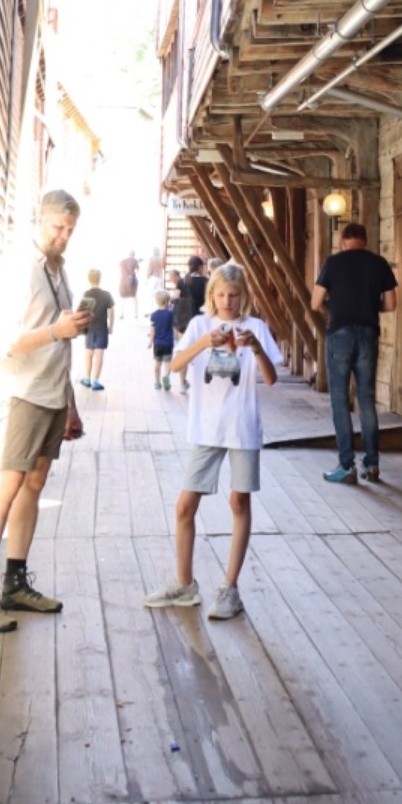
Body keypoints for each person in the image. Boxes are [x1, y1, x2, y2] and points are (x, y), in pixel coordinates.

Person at [0, 189, 89, 629]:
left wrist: (70, 403)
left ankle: (14, 584)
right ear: (40, 219)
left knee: (33, 484)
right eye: (58, 227)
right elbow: (8, 343)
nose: (64, 237)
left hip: (52, 394)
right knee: (5, 490)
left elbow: (61, 345)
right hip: (24, 393)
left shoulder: (60, 271)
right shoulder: (17, 269)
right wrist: (56, 330)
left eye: (71, 230)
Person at [143, 261, 282, 620]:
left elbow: (270, 379)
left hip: (243, 427)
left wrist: (255, 349)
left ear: (243, 296)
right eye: (221, 295)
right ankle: (185, 583)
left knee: (239, 503)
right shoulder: (199, 325)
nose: (227, 301)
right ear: (212, 295)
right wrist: (205, 341)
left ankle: (230, 587)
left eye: (234, 295)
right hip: (206, 427)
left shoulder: (256, 328)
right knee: (184, 506)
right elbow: (175, 367)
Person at [312, 220, 397, 485]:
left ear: (343, 241)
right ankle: (371, 466)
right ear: (366, 240)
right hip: (368, 333)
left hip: (339, 334)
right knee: (367, 400)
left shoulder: (332, 263)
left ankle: (346, 466)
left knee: (339, 400)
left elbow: (315, 303)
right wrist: (368, 308)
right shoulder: (379, 263)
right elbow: (391, 305)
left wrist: (335, 304)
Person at [171, 253, 208, 394]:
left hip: (184, 322)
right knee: (203, 352)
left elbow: (175, 298)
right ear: (200, 266)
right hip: (201, 321)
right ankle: (203, 383)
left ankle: (182, 383)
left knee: (184, 352)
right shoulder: (206, 281)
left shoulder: (182, 281)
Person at [79, 267, 115, 389]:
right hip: (102, 327)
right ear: (100, 279)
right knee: (99, 353)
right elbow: (111, 312)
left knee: (89, 353)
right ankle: (95, 381)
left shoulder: (86, 294)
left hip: (90, 327)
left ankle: (87, 379)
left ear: (88, 279)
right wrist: (111, 326)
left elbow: (82, 311)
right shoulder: (106, 295)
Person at [149, 290, 176, 390]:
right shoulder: (170, 314)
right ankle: (166, 377)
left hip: (157, 344)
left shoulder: (154, 315)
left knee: (157, 364)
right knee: (167, 363)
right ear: (167, 301)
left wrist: (150, 342)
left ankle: (156, 382)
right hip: (168, 343)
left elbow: (152, 330)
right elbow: (174, 327)